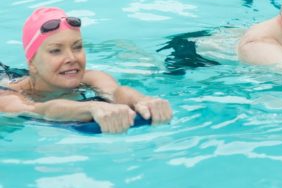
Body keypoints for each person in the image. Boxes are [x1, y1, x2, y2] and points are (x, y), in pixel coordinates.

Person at [0, 7, 173, 133]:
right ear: (32, 64)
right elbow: (40, 110)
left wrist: (142, 100)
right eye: (55, 51)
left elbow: (117, 92)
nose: (72, 58)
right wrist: (91, 107)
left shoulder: (91, 78)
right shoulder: (7, 97)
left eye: (77, 47)